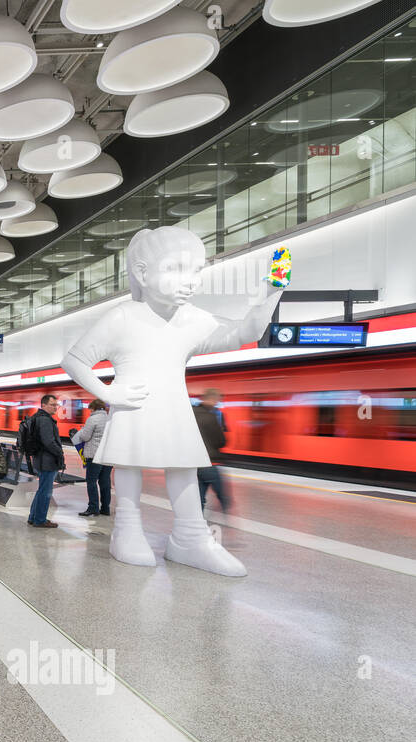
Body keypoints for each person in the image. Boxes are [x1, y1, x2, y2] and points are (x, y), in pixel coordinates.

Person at [60, 227, 287, 576]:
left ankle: (190, 535)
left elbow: (245, 333)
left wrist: (271, 292)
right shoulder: (122, 317)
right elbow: (75, 360)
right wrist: (108, 393)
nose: (190, 281)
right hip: (133, 404)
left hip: (174, 406)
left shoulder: (194, 319)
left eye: (196, 271)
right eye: (176, 269)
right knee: (130, 463)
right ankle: (128, 527)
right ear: (141, 272)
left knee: (183, 465)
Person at [27, 394, 65, 529]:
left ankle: (33, 517)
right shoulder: (45, 420)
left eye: (56, 405)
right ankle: (40, 520)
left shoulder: (38, 418)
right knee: (46, 492)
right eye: (52, 405)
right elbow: (48, 441)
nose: (55, 407)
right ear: (43, 405)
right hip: (47, 461)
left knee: (41, 490)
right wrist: (60, 452)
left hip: (41, 460)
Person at [194, 388, 232, 516]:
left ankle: (198, 521)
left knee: (200, 495)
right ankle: (228, 517)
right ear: (213, 399)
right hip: (210, 461)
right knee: (222, 493)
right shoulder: (211, 416)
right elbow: (221, 441)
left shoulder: (191, 413)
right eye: (217, 401)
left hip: (194, 462)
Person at [73, 398, 112, 517]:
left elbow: (85, 437)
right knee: (105, 482)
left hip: (94, 456)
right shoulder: (110, 419)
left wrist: (82, 431)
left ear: (93, 408)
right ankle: (105, 508)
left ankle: (93, 508)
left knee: (91, 482)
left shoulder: (92, 419)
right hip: (107, 456)